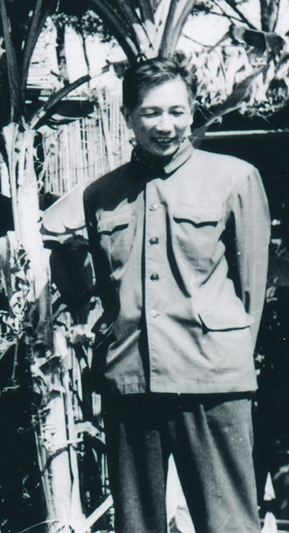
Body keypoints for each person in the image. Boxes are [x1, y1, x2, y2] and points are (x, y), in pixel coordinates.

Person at [83, 56, 271, 533]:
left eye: (176, 111)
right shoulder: (101, 194)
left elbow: (251, 288)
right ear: (128, 117)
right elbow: (111, 293)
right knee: (136, 525)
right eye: (151, 112)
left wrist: (225, 358)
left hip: (212, 381)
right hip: (131, 380)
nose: (165, 125)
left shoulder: (234, 177)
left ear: (191, 112)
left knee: (228, 524)